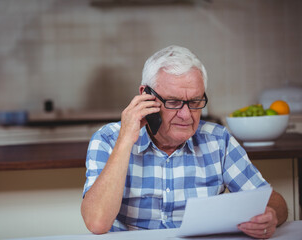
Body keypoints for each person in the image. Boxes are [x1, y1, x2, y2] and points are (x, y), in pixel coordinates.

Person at [81, 45, 288, 239]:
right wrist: (126, 140)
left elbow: (277, 204)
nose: (186, 115)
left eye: (195, 102)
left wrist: (272, 216)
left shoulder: (218, 140)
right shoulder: (108, 139)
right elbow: (97, 223)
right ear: (146, 96)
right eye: (173, 102)